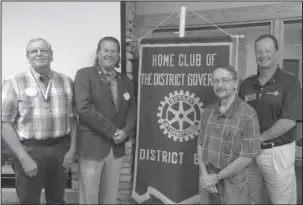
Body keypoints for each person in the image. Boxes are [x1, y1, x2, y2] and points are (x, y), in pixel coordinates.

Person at [1, 38, 77, 204]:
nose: (39, 54)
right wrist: (23, 157)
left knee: (57, 199)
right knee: (29, 200)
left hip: (61, 150)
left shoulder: (66, 81)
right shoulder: (13, 82)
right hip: (29, 150)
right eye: (33, 51)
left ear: (51, 55)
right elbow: (4, 123)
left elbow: (73, 119)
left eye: (44, 50)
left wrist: (72, 150)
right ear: (27, 57)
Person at [239, 34, 302, 204]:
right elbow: (239, 115)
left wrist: (259, 138)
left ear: (276, 53)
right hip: (250, 154)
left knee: (281, 200)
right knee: (252, 198)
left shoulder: (290, 82)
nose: (263, 55)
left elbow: (289, 120)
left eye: (267, 50)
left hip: (277, 152)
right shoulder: (246, 84)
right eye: (259, 51)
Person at [74, 36, 137, 204]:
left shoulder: (125, 80)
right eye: (106, 50)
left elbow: (131, 109)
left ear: (118, 56)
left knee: (109, 197)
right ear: (98, 53)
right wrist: (113, 131)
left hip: (116, 147)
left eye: (114, 51)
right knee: (89, 196)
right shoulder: (84, 74)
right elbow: (84, 108)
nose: (110, 54)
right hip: (92, 146)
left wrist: (126, 131)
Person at [197, 65, 261, 204]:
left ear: (235, 83)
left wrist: (217, 177)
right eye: (216, 80)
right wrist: (205, 174)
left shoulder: (248, 114)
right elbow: (200, 145)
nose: (220, 85)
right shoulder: (208, 111)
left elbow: (246, 157)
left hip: (233, 181)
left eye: (225, 80)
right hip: (208, 180)